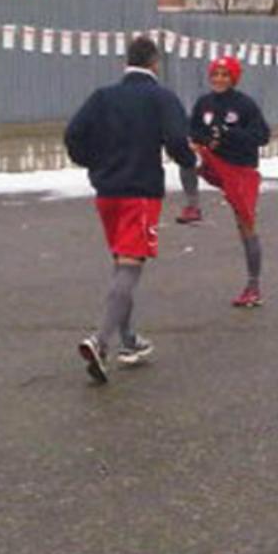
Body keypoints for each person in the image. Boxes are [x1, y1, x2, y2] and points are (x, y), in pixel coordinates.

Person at [64, 35, 197, 384]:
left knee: (122, 262)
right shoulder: (161, 97)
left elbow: (73, 134)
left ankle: (129, 339)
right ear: (155, 63)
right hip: (141, 192)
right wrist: (189, 161)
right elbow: (177, 139)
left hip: (107, 192)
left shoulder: (103, 96)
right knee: (130, 266)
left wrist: (94, 164)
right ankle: (100, 341)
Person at [177, 55, 271, 307]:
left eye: (224, 75)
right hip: (213, 162)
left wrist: (229, 134)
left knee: (246, 225)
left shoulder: (245, 105)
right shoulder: (204, 103)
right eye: (215, 74)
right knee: (186, 153)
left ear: (233, 78)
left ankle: (253, 286)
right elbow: (194, 130)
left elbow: (262, 136)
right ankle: (193, 206)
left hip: (241, 169)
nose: (218, 79)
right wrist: (205, 140)